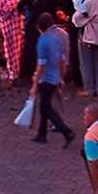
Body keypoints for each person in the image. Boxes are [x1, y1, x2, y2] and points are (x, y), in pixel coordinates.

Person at [32, 13, 75, 145]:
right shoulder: (57, 38)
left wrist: (35, 83)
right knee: (44, 105)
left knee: (45, 107)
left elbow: (41, 65)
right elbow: (62, 60)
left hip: (45, 79)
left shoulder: (42, 41)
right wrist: (61, 76)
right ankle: (42, 134)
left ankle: (65, 130)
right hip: (55, 76)